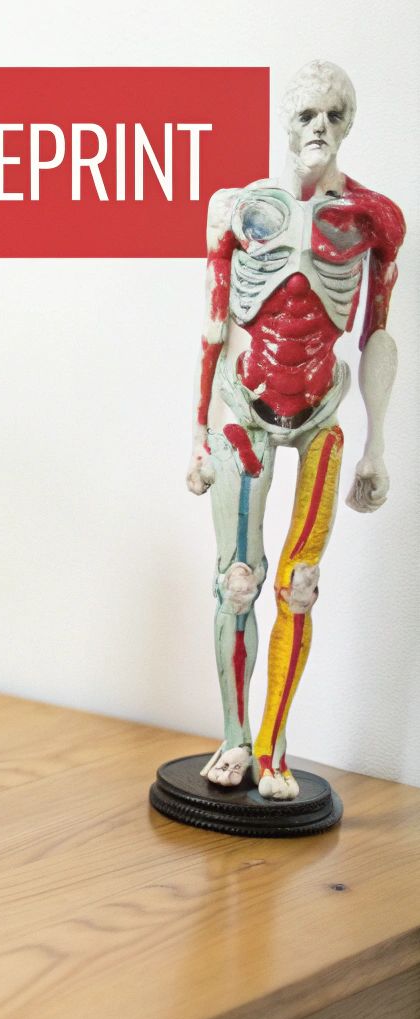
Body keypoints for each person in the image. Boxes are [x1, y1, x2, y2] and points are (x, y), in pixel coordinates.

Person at [185, 60, 402, 799]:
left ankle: (276, 750)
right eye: (309, 114)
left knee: (300, 586)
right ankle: (234, 741)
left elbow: (377, 332)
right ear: (287, 119)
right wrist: (194, 431)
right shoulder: (239, 208)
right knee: (238, 582)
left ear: (347, 127)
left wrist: (377, 441)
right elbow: (215, 323)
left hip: (321, 416)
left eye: (334, 117)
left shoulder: (374, 219)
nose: (320, 129)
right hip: (244, 410)